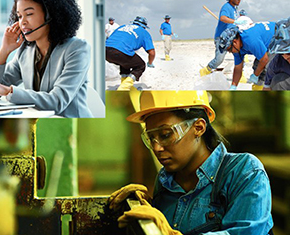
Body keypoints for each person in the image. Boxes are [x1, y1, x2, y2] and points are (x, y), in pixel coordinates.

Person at [108, 90, 273, 235]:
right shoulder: (165, 181)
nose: (157, 148)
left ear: (199, 127)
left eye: (165, 134)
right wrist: (146, 209)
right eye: (151, 138)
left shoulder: (244, 172)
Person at [0, 0, 93, 118]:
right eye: (19, 16)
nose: (23, 22)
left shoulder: (77, 49)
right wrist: (4, 51)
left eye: (29, 14)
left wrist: (8, 91)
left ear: (50, 15)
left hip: (73, 126)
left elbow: (57, 101)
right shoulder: (25, 51)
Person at [219, 21, 277, 90]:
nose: (229, 52)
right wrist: (233, 86)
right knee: (257, 67)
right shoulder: (236, 48)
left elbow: (264, 59)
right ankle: (258, 89)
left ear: (234, 42)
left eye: (229, 49)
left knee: (269, 68)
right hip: (266, 43)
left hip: (278, 37)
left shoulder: (251, 40)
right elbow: (238, 68)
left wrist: (255, 75)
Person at [200, 0, 246, 77]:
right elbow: (223, 18)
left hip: (233, 37)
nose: (239, 1)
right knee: (219, 60)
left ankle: (241, 75)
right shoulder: (226, 7)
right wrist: (236, 21)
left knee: (240, 55)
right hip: (222, 38)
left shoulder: (234, 9)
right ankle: (205, 70)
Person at [105, 16, 156, 90]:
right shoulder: (144, 32)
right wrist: (150, 63)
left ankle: (124, 83)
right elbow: (152, 53)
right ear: (144, 26)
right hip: (120, 51)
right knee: (140, 65)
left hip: (106, 51)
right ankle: (123, 88)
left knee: (125, 63)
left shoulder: (122, 27)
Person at [264, 17, 290, 90]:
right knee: (278, 81)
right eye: (282, 54)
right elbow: (266, 87)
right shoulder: (278, 61)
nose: (285, 58)